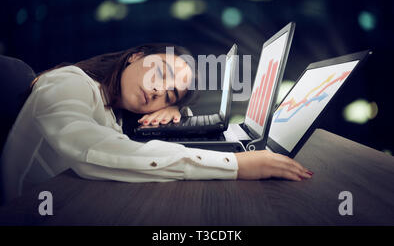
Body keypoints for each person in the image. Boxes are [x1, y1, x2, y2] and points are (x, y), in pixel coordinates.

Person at [0, 43, 312, 203]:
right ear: (135, 56)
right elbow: (91, 148)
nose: (159, 90)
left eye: (171, 93)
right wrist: (235, 164)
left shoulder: (115, 113)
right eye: (160, 72)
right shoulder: (67, 82)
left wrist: (177, 115)